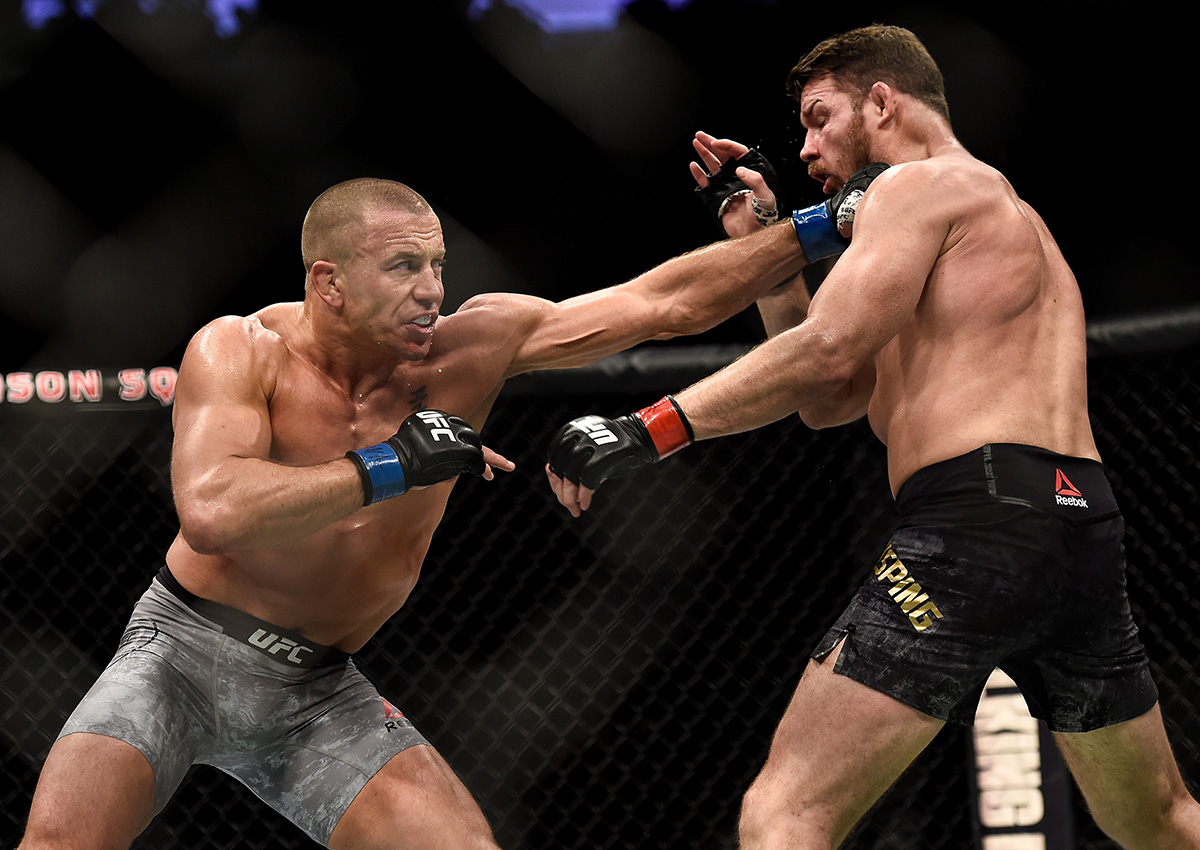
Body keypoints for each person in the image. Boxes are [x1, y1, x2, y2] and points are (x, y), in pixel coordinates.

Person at [545, 24, 1200, 849]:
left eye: (821, 118)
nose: (810, 150)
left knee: (786, 814)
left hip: (972, 525)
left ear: (882, 102)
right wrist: (772, 256)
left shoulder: (916, 189)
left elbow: (824, 352)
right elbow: (835, 396)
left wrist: (646, 429)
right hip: (1077, 525)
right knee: (1160, 821)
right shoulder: (1009, 222)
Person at [15, 177, 817, 850]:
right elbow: (213, 513)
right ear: (328, 281)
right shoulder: (239, 348)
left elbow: (666, 303)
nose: (432, 288)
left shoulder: (476, 343)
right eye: (403, 266)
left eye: (436, 262)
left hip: (314, 691)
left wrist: (813, 225)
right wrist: (392, 464)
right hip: (181, 653)